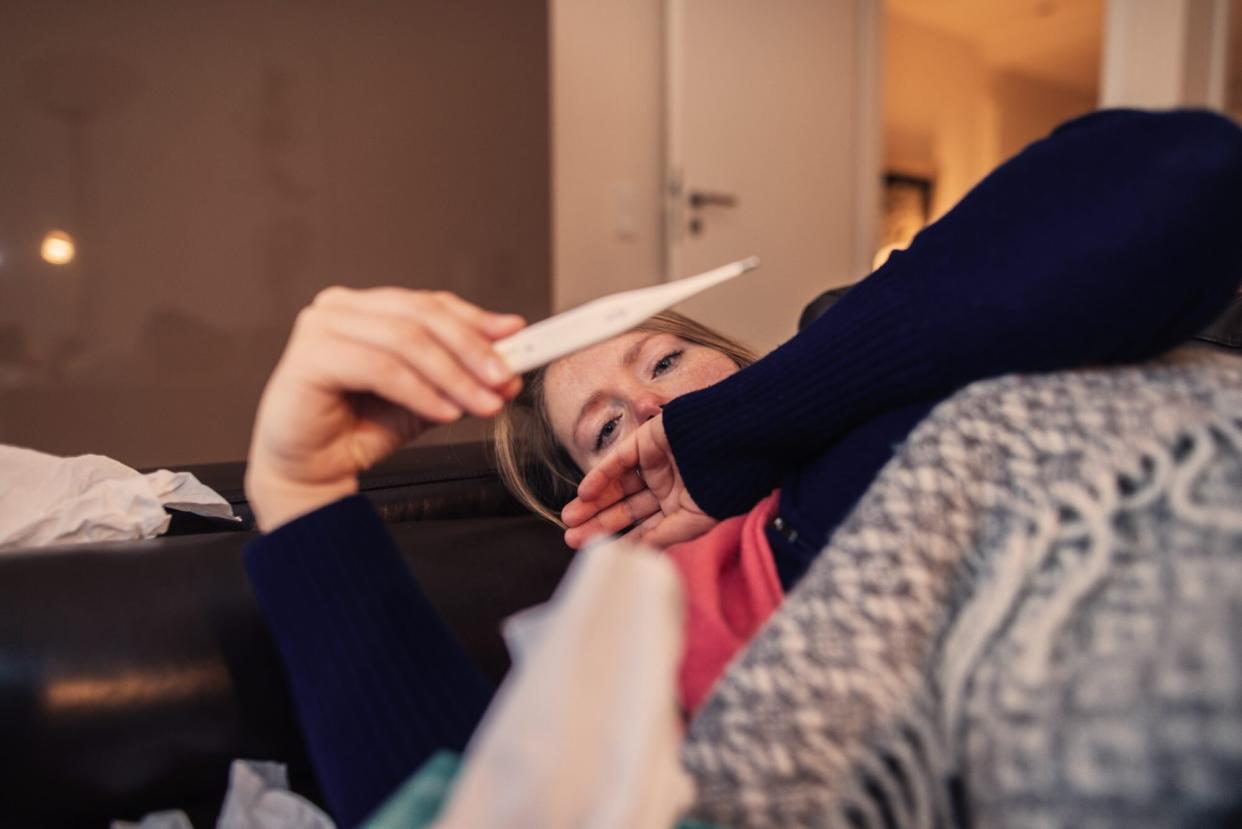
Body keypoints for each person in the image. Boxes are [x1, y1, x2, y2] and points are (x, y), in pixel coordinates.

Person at [244, 108, 1242, 826]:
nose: (651, 405)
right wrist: (301, 492)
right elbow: (482, 803)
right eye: (606, 428)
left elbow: (1191, 174)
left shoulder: (866, 345)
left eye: (669, 362)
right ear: (595, 502)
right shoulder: (654, 619)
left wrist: (741, 426)